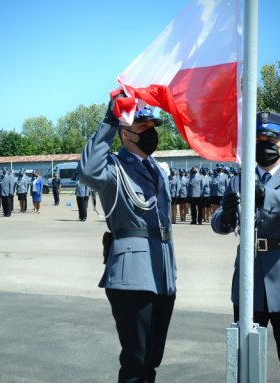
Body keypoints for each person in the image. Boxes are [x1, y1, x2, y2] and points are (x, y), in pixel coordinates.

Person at [211, 111, 280, 383]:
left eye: (271, 139)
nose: (264, 144)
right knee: (244, 356)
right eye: (258, 139)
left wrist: (264, 194)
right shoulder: (238, 178)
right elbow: (221, 220)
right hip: (251, 277)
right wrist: (223, 217)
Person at [78, 95, 176, 383]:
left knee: (152, 360)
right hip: (132, 274)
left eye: (152, 126)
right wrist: (110, 119)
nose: (151, 133)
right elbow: (87, 169)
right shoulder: (113, 168)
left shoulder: (156, 168)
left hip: (162, 271)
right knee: (136, 359)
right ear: (126, 133)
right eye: (144, 127)